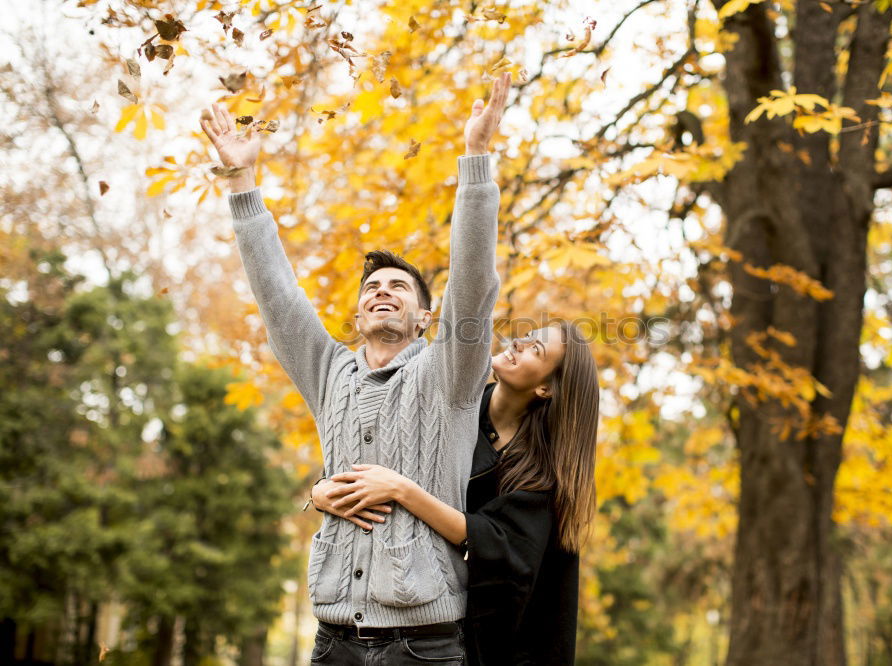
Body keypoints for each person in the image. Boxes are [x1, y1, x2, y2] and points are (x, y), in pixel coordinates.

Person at [200, 72, 512, 664]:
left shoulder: (450, 376)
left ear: (425, 318)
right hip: (333, 640)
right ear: (360, 310)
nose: (383, 292)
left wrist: (476, 163)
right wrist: (241, 182)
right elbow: (279, 297)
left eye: (400, 287)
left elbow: (473, 287)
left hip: (424, 646)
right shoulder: (329, 373)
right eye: (372, 287)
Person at [313, 321, 599, 664]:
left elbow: (498, 545)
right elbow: (374, 448)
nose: (520, 343)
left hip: (480, 631)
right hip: (384, 605)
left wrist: (404, 491)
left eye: (536, 349)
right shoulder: (452, 404)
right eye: (528, 336)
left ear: (546, 388)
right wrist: (318, 491)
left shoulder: (545, 469)